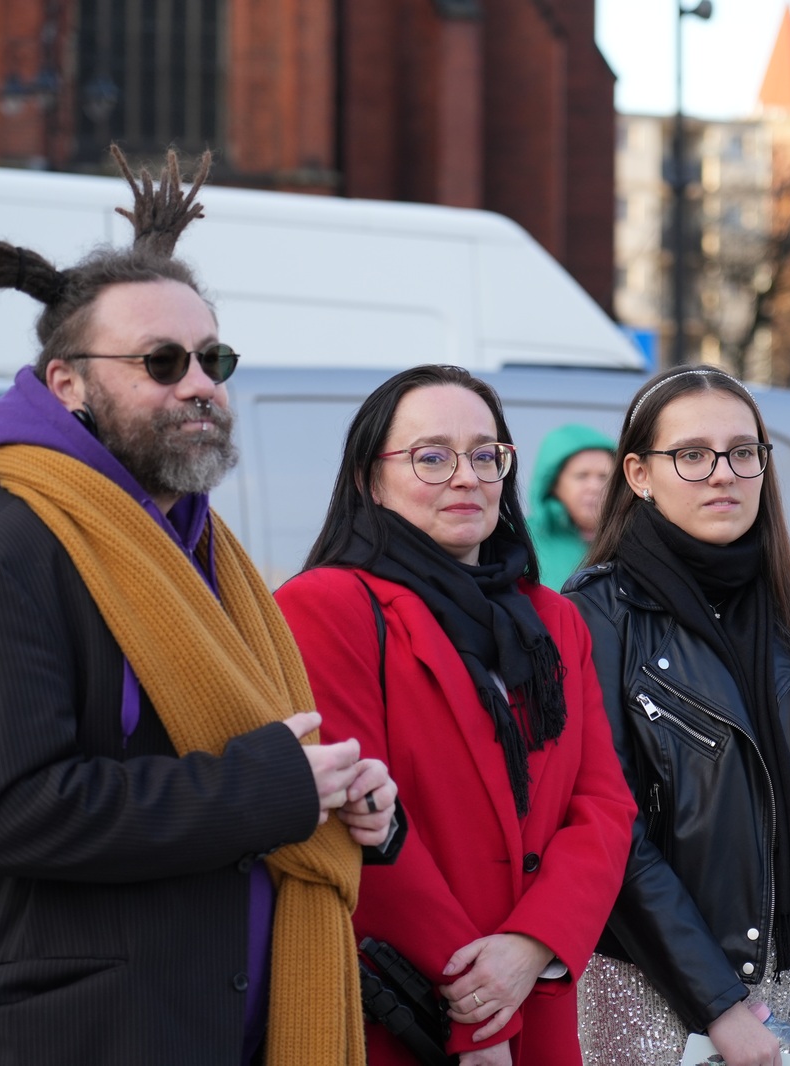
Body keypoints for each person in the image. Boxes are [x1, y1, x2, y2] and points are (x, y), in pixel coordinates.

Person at [0, 148, 401, 1065]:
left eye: (213, 358)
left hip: (225, 1023)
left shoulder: (206, 552)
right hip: (78, 1035)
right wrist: (277, 788)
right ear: (68, 386)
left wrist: (346, 802)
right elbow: (17, 811)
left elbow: (257, 752)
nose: (199, 383)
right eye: (160, 362)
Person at [274, 365, 635, 1066]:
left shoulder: (552, 618)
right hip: (407, 1008)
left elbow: (602, 805)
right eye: (430, 456)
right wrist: (477, 1016)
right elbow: (357, 825)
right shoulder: (327, 607)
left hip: (537, 994)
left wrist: (532, 945)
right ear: (366, 480)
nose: (465, 476)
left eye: (484, 454)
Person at [565, 364, 790, 1066]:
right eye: (691, 455)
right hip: (648, 992)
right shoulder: (596, 611)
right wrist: (716, 1006)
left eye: (743, 452)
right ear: (640, 475)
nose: (722, 474)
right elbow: (610, 832)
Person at [527, 423, 616, 588]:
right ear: (554, 484)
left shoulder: (631, 539)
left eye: (604, 477)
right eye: (582, 476)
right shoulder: (522, 540)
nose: (595, 487)